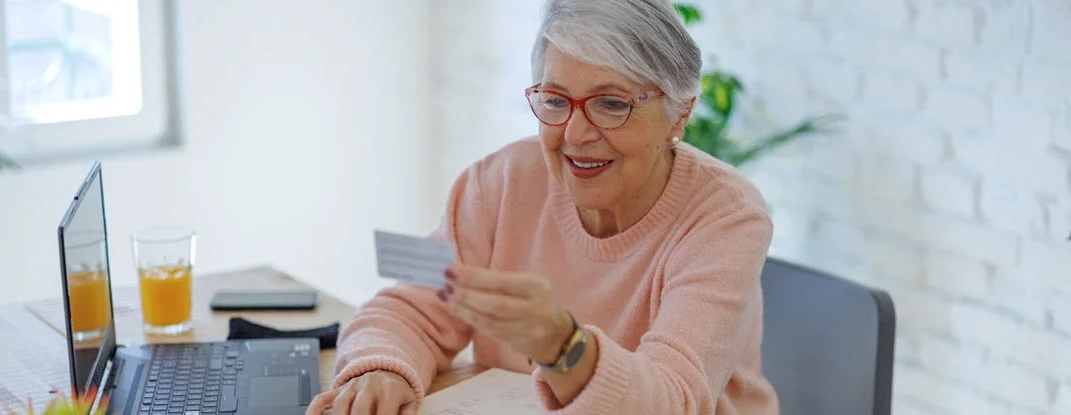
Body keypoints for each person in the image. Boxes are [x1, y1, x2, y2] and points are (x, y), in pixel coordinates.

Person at [307, 0, 780, 413]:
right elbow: (409, 307)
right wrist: (381, 371)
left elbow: (675, 401)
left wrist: (564, 346)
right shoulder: (501, 182)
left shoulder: (726, 217)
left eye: (612, 104)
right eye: (556, 100)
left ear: (681, 110)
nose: (575, 135)